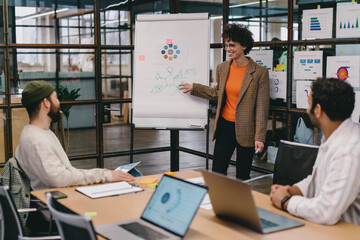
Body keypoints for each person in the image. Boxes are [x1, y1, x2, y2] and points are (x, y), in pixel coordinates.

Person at [179, 23, 269, 180]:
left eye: (232, 45)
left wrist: (259, 137)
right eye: (226, 45)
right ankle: (219, 203)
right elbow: (216, 93)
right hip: (225, 127)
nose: (228, 49)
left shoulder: (260, 73)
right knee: (218, 171)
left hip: (246, 129)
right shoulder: (222, 68)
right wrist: (195, 87)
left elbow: (262, 107)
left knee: (243, 175)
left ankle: (240, 204)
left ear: (244, 45)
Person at [270, 78, 360, 225]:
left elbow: (325, 212)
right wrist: (292, 190)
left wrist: (286, 201)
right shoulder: (334, 138)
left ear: (318, 110)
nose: (306, 110)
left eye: (309, 104)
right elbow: (318, 180)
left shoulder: (348, 151)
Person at [16, 80, 135, 190]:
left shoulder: (36, 132)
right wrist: (104, 175)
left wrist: (103, 173)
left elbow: (64, 173)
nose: (59, 102)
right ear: (46, 103)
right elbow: (60, 179)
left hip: (63, 193)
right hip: (57, 203)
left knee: (132, 174)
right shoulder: (37, 140)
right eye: (56, 98)